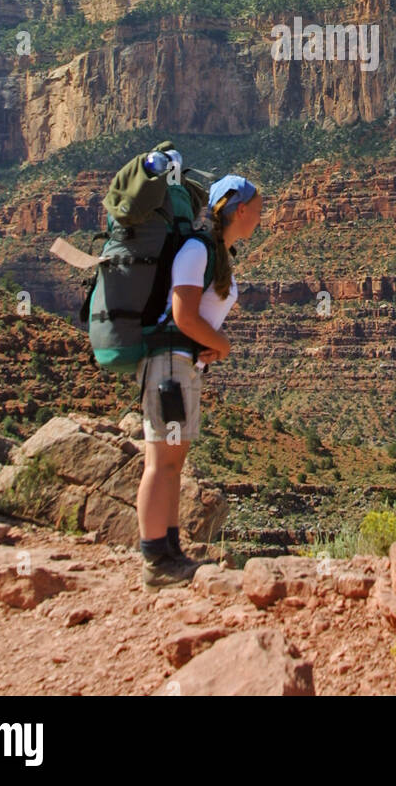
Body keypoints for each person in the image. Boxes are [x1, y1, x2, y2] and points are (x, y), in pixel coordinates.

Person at [135, 174, 262, 588]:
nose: (261, 218)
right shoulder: (196, 250)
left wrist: (211, 348)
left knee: (173, 463)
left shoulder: (218, 254)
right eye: (257, 209)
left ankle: (170, 551)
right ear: (239, 209)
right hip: (168, 369)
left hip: (184, 368)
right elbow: (183, 315)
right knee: (160, 462)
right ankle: (155, 559)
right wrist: (222, 346)